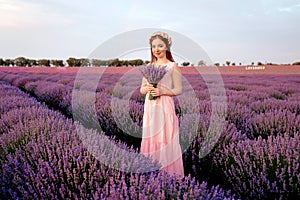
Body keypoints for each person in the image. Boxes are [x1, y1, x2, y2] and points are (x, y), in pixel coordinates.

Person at [140, 31, 184, 177]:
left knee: (165, 137)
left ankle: (168, 175)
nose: (156, 49)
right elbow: (142, 89)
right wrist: (148, 89)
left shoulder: (172, 66)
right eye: (153, 46)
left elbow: (178, 89)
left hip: (164, 104)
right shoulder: (149, 65)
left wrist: (161, 91)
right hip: (150, 106)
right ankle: (151, 173)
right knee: (151, 137)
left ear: (167, 47)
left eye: (160, 45)